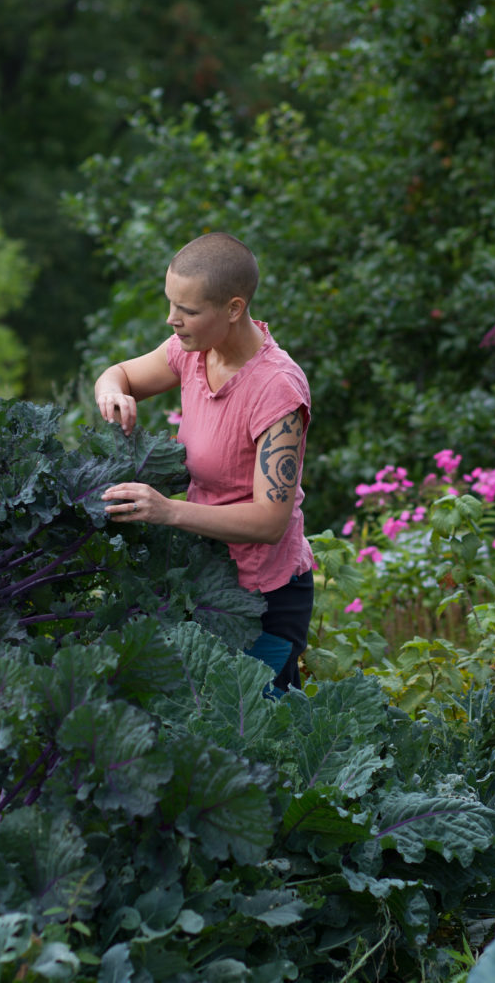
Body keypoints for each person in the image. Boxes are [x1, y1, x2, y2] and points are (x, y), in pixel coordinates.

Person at [95, 232, 313, 694]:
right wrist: (112, 393)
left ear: (234, 309)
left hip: (263, 599)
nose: (172, 320)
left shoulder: (277, 390)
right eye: (171, 304)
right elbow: (121, 373)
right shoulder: (191, 352)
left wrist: (168, 511)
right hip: (205, 576)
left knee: (255, 735)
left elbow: (271, 520)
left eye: (188, 311)